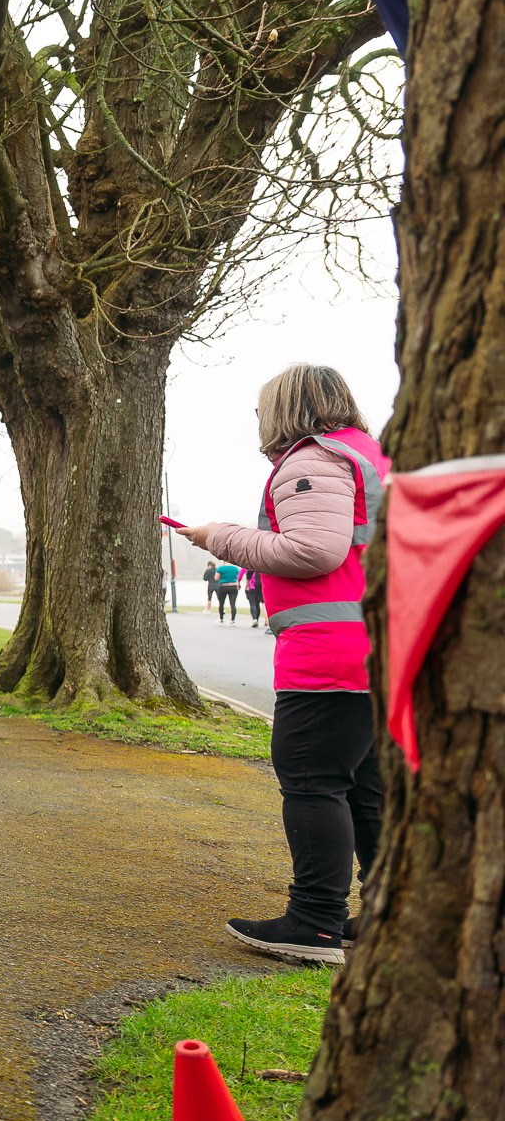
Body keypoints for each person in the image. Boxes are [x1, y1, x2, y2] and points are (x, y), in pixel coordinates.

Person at [179, 364, 388, 964]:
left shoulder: (312, 461)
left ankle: (316, 921)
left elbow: (310, 551)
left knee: (311, 778)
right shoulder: (369, 454)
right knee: (365, 787)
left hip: (330, 650)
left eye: (261, 408)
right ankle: (385, 913)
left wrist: (220, 535)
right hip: (380, 644)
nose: (258, 421)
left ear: (288, 408)